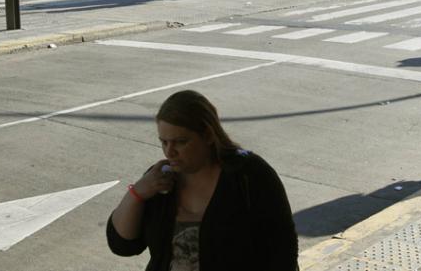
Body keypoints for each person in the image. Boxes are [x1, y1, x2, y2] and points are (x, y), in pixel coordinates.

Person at [106, 90, 298, 271]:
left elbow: (283, 249)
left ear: (208, 135)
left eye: (181, 142)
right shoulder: (160, 179)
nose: (169, 152)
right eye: (164, 142)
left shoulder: (249, 175)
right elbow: (122, 244)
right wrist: (137, 193)